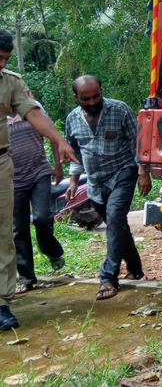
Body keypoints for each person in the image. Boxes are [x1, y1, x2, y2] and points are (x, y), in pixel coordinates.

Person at [0, 29, 78, 332]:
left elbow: (32, 112)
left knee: (5, 233)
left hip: (4, 165)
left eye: (5, 59)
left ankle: (2, 304)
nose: (2, 64)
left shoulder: (11, 82)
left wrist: (59, 141)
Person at [65, 75, 151, 301]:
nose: (93, 102)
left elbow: (139, 143)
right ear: (76, 97)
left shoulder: (120, 110)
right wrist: (74, 181)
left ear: (101, 91)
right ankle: (135, 267)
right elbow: (74, 152)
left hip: (122, 172)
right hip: (94, 181)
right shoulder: (72, 119)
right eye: (86, 99)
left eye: (96, 96)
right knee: (118, 225)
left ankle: (108, 278)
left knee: (114, 219)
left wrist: (143, 173)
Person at [10, 100, 66, 295]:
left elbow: (52, 135)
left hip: (39, 173)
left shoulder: (33, 109)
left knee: (42, 218)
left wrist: (57, 165)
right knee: (19, 228)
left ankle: (53, 252)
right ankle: (26, 278)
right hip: (12, 180)